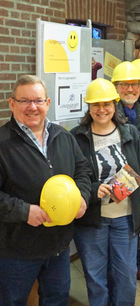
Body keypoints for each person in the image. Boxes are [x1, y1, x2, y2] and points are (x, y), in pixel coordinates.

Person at [0, 75, 91, 305]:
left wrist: (83, 196)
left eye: (38, 101)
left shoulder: (64, 137)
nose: (32, 107)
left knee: (57, 300)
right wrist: (24, 211)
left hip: (58, 246)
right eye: (24, 101)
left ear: (48, 103)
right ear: (12, 104)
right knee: (12, 301)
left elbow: (82, 170)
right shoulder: (2, 143)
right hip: (17, 249)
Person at [70, 78, 140, 305]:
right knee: (96, 279)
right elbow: (70, 180)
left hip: (125, 219)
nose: (102, 110)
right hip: (91, 221)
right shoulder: (77, 137)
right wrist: (92, 190)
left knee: (126, 277)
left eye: (107, 104)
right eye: (96, 105)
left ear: (114, 105)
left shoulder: (129, 133)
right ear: (88, 107)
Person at [112, 61, 140, 137]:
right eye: (125, 85)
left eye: (134, 84)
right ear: (115, 87)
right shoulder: (107, 115)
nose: (130, 89)